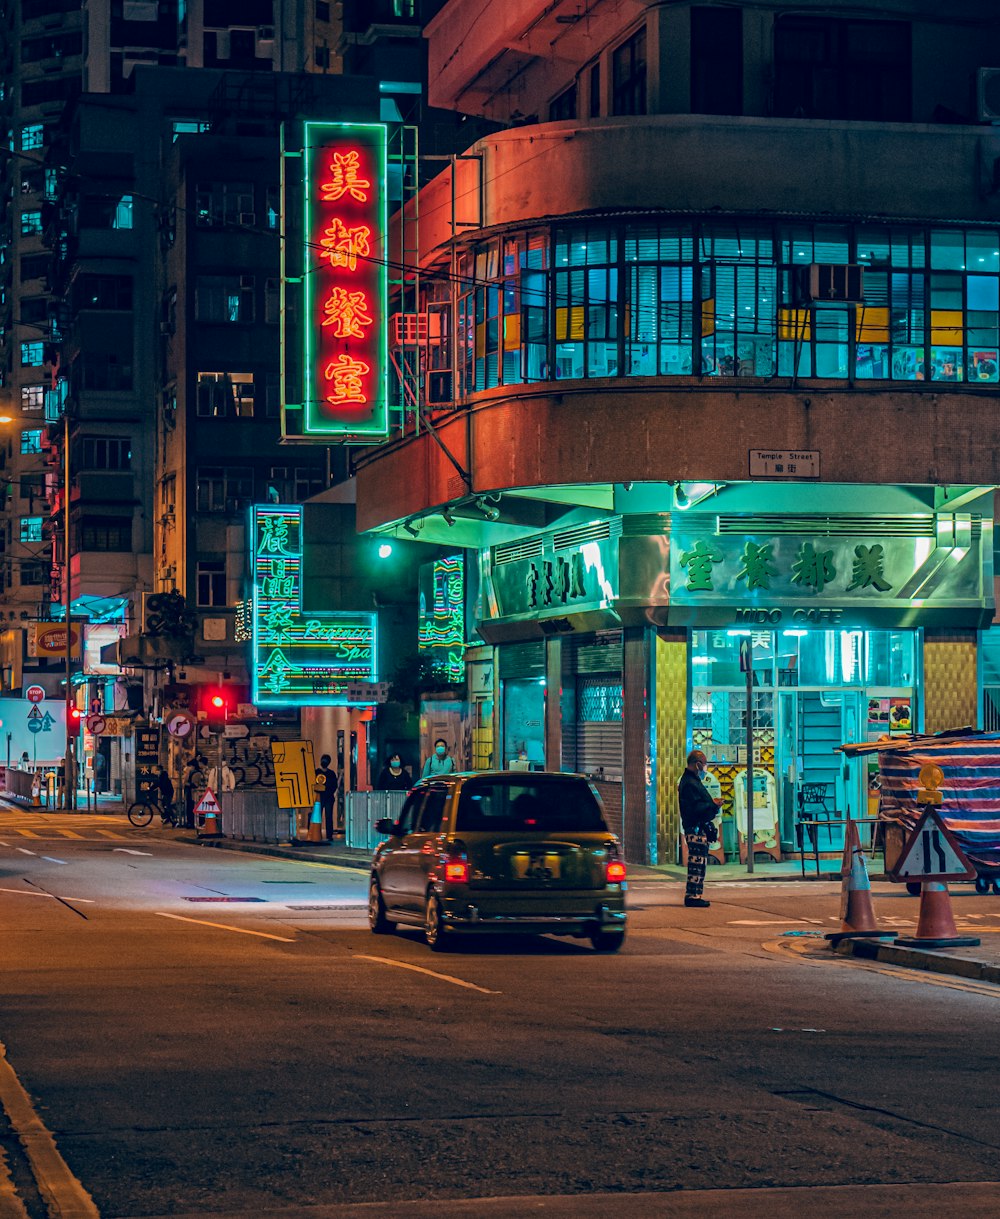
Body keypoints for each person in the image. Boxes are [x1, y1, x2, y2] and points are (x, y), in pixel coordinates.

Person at [677, 750, 722, 908]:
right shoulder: (689, 783)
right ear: (697, 764)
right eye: (704, 763)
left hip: (697, 827)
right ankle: (693, 896)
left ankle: (695, 894)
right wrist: (713, 805)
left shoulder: (692, 780)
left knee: (700, 862)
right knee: (697, 862)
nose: (705, 766)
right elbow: (696, 808)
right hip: (695, 828)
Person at [315, 753, 339, 838]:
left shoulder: (331, 774)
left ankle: (329, 835)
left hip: (327, 798)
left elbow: (334, 786)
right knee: (319, 817)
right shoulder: (317, 772)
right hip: (320, 797)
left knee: (328, 817)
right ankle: (317, 834)